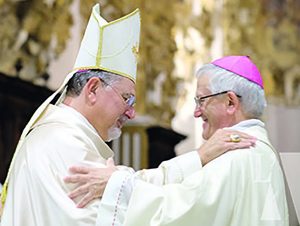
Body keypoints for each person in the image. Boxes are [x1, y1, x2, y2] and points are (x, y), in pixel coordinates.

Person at [0, 4, 255, 226]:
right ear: (93, 89)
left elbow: (122, 193)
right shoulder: (64, 142)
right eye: (126, 99)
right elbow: (114, 218)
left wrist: (197, 158)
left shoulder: (67, 136)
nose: (131, 113)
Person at [67, 56, 294, 226]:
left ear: (230, 103)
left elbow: (177, 212)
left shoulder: (238, 155)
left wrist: (118, 186)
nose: (196, 113)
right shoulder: (260, 151)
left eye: (201, 100)